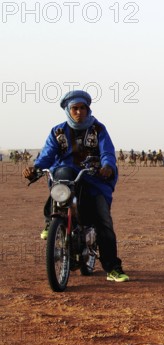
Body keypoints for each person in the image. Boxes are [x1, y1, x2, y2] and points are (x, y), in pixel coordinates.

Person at [22, 90, 129, 282]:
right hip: (68, 177)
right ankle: (51, 221)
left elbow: (108, 152)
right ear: (68, 111)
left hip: (94, 179)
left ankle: (113, 268)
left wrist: (107, 167)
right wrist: (36, 168)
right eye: (74, 108)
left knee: (103, 221)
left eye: (82, 108)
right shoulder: (58, 131)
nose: (79, 112)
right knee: (61, 175)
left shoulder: (98, 130)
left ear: (88, 110)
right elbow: (47, 154)